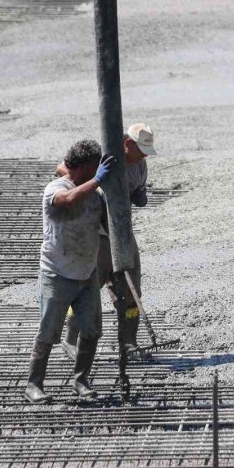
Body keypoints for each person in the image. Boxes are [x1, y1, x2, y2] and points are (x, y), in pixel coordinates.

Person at [25, 140, 114, 404]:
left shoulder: (96, 196)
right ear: (87, 168)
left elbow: (109, 229)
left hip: (87, 274)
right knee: (48, 332)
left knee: (92, 330)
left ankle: (80, 380)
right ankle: (33, 384)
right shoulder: (56, 188)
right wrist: (98, 181)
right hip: (57, 274)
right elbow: (68, 200)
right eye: (96, 167)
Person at [59, 123, 156, 359]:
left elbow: (137, 192)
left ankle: (128, 343)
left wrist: (140, 196)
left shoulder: (140, 166)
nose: (144, 155)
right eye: (140, 149)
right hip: (96, 233)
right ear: (128, 144)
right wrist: (94, 184)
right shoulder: (102, 158)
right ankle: (70, 338)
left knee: (131, 291)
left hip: (122, 232)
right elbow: (61, 168)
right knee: (88, 288)